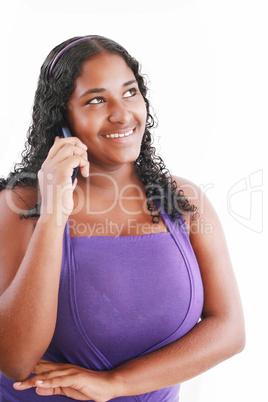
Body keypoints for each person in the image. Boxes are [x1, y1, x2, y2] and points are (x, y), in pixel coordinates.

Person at [0, 35, 245, 401]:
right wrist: (54, 212)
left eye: (130, 92)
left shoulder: (182, 200)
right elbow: (15, 360)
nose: (122, 113)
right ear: (62, 118)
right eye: (96, 99)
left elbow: (230, 330)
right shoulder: (20, 204)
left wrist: (115, 383)